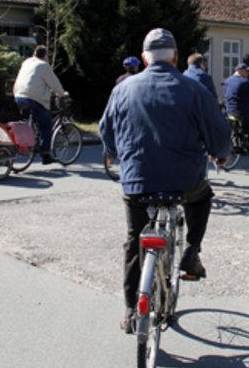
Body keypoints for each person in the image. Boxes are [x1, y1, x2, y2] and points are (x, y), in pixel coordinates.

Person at [99, 28, 231, 334]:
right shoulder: (193, 89)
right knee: (201, 197)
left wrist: (122, 155)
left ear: (145, 59)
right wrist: (220, 155)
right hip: (183, 181)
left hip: (137, 181)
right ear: (174, 56)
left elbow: (107, 134)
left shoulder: (122, 89)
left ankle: (132, 309)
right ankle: (191, 252)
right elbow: (219, 136)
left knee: (135, 239)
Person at [13, 45, 67, 165]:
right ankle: (46, 154)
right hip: (33, 99)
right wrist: (62, 93)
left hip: (18, 96)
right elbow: (54, 82)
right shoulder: (43, 65)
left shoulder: (26, 62)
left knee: (33, 118)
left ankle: (31, 137)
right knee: (46, 124)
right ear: (45, 55)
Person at [224, 63, 249, 155]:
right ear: (239, 71)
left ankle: (238, 140)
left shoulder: (228, 80)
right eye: (245, 71)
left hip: (229, 110)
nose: (247, 73)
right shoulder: (245, 82)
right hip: (242, 111)